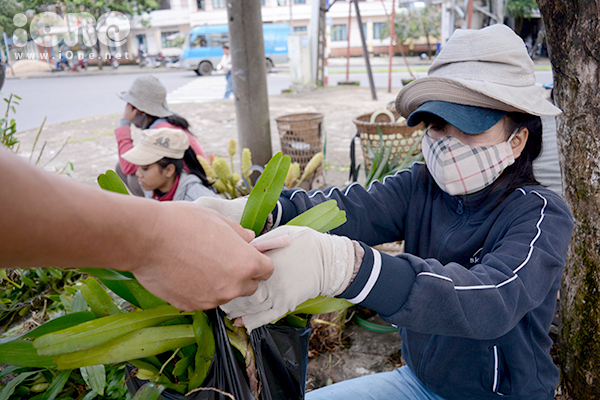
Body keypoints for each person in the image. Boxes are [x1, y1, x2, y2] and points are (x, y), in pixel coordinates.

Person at [198, 25, 575, 400]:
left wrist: (343, 267)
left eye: (469, 128)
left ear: (518, 139)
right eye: (438, 125)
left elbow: (491, 300)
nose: (447, 144)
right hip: (417, 382)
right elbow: (351, 207)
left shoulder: (541, 215)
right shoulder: (421, 185)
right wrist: (261, 213)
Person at [0, 147, 273, 312]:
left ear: (169, 170)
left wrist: (154, 241)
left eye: (144, 167)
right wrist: (155, 242)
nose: (137, 175)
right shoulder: (156, 196)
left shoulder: (193, 193)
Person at [115, 75, 207, 196]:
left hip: (183, 186)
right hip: (180, 179)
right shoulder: (167, 123)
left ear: (139, 110)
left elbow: (127, 166)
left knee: (133, 175)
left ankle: (151, 207)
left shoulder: (161, 131)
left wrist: (125, 123)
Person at [121, 127, 219, 201]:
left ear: (169, 170)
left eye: (145, 168)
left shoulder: (198, 198)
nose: (138, 173)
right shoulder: (151, 188)